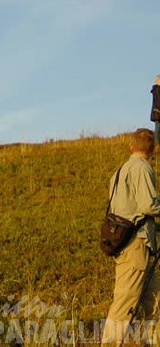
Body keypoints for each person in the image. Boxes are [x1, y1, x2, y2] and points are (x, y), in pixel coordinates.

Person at [102, 128, 160, 345]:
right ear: (153, 149)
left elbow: (127, 211)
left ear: (131, 146)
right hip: (136, 246)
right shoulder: (142, 168)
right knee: (124, 303)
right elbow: (147, 206)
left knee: (156, 302)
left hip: (128, 242)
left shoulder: (119, 172)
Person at [150, 75, 160, 146]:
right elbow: (158, 101)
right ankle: (156, 143)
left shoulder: (156, 89)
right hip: (158, 111)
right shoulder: (157, 89)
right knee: (158, 129)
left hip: (156, 111)